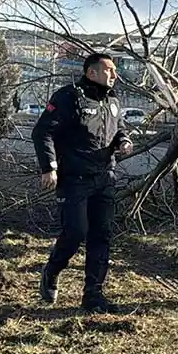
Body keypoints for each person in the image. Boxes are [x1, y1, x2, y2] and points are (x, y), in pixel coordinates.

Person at [31, 52, 133, 313]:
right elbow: (43, 132)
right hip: (74, 179)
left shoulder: (112, 100)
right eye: (109, 70)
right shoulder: (69, 97)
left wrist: (123, 141)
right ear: (91, 72)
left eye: (115, 70)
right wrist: (49, 168)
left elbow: (118, 128)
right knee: (76, 232)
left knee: (102, 235)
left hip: (105, 177)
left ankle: (93, 295)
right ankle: (52, 271)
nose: (114, 75)